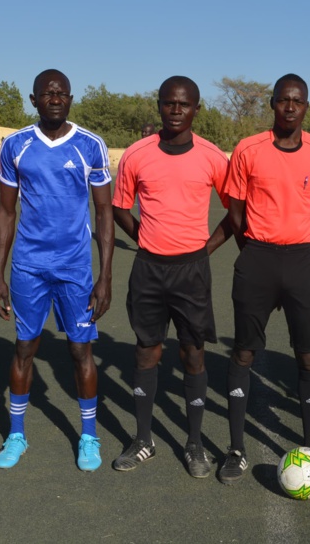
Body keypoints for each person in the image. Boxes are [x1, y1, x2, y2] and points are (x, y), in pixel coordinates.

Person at [0, 69, 113, 472]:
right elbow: (5, 212)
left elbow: (103, 211)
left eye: (61, 93)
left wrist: (105, 275)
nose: (55, 99)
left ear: (71, 99)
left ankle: (89, 437)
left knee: (80, 350)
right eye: (47, 93)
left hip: (75, 268)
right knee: (25, 347)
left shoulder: (91, 146)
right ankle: (16, 434)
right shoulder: (16, 145)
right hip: (29, 266)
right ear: (34, 99)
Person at [219, 74, 310, 485]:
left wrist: (303, 245)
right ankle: (236, 449)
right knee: (244, 352)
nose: (290, 107)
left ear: (307, 106)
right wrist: (252, 250)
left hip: (303, 260)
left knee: (308, 354)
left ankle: (309, 448)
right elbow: (234, 208)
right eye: (283, 100)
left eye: (298, 101)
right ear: (272, 104)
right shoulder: (249, 149)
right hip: (258, 258)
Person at [111, 76, 231, 478]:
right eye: (169, 103)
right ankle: (143, 439)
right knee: (147, 349)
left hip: (191, 269)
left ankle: (194, 443)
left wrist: (205, 249)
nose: (176, 110)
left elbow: (237, 212)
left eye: (184, 104)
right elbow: (120, 208)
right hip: (149, 268)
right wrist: (144, 238)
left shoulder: (213, 157)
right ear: (159, 105)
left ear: (197, 109)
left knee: (193, 352)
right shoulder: (136, 155)